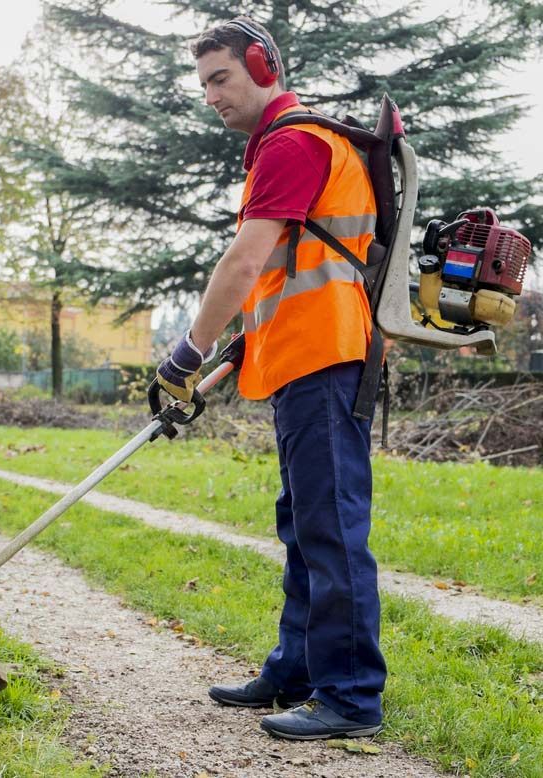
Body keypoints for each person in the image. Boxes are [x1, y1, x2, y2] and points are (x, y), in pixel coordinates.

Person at [155, 17, 387, 740]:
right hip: (298, 359)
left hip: (326, 359)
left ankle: (350, 696)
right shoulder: (283, 148)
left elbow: (245, 263)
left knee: (331, 530)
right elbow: (282, 282)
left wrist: (185, 355)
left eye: (221, 77)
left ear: (262, 64)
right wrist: (234, 349)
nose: (211, 95)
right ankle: (294, 669)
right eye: (203, 85)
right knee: (302, 525)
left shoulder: (293, 143)